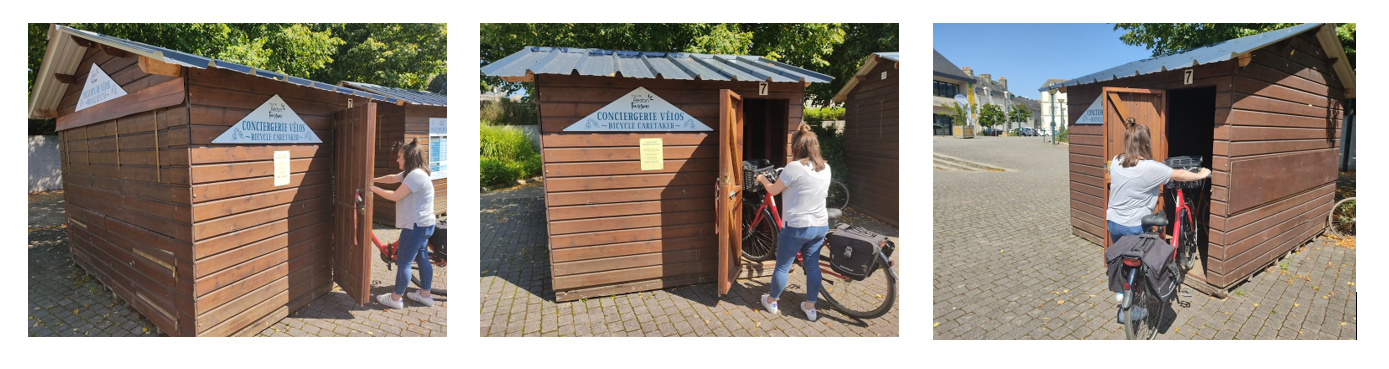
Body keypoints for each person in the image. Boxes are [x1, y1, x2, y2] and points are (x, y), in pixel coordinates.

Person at [754, 124, 832, 321]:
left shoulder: (794, 167)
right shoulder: (826, 167)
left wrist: (762, 179)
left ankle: (771, 301)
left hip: (796, 226)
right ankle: (810, 307)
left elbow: (773, 190)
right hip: (820, 226)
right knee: (813, 266)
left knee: (782, 266)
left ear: (796, 147)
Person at [1106, 119, 1211, 244]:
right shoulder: (1151, 167)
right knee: (1142, 259)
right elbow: (1181, 174)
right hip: (1134, 224)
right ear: (1147, 143)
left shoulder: (1117, 160)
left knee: (1119, 256)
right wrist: (1201, 174)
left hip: (1113, 222)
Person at [370, 138, 437, 309]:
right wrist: (373, 179)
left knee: (404, 262)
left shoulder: (414, 176)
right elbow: (393, 178)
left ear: (407, 158)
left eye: (399, 157)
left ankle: (395, 298)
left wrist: (370, 188)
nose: (397, 160)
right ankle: (425, 295)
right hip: (425, 224)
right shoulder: (414, 172)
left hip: (415, 226)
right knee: (422, 259)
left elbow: (394, 196)